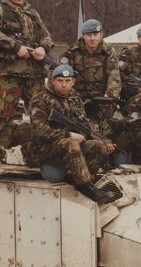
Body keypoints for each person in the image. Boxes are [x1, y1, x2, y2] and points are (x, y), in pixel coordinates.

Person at [0, 0, 55, 179]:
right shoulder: (0, 10)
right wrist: (16, 47)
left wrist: (42, 47)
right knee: (2, 114)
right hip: (11, 73)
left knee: (42, 116)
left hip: (34, 74)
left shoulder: (33, 13)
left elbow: (47, 36)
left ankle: (44, 157)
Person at [28, 64, 114, 204]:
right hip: (46, 149)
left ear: (73, 81)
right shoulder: (40, 99)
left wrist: (100, 140)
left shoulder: (74, 97)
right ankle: (87, 187)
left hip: (69, 149)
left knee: (97, 145)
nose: (64, 85)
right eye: (60, 81)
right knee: (71, 143)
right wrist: (68, 134)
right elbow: (38, 131)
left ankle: (85, 183)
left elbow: (83, 124)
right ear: (53, 81)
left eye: (67, 81)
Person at [65, 19, 122, 130]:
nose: (92, 38)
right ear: (83, 35)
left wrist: (109, 96)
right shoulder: (72, 52)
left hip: (101, 98)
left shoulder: (109, 52)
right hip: (78, 98)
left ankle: (105, 143)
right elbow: (64, 76)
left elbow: (114, 76)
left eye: (95, 34)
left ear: (101, 34)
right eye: (89, 35)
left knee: (108, 121)